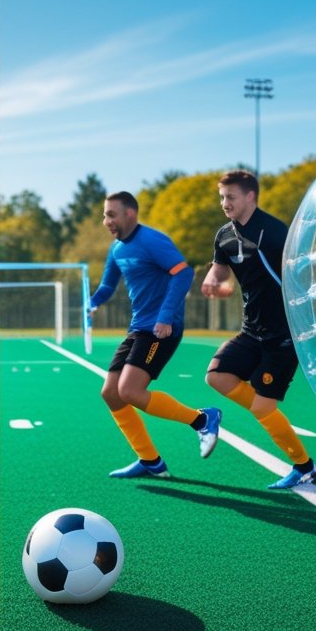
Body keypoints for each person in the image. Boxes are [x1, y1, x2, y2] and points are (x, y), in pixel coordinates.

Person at [201, 170, 316, 490]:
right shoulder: (223, 236)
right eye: (222, 197)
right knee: (216, 376)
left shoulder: (275, 232)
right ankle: (262, 404)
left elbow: (300, 274)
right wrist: (214, 283)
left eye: (231, 197)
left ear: (250, 196)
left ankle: (305, 467)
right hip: (251, 330)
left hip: (283, 335)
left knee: (262, 407)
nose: (224, 203)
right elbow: (220, 273)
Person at [90, 191, 221, 479]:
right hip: (139, 328)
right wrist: (93, 303)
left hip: (162, 328)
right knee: (111, 394)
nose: (106, 221)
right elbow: (107, 285)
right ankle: (150, 461)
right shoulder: (117, 249)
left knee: (130, 392)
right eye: (104, 215)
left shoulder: (152, 240)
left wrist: (165, 317)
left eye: (111, 214)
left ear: (130, 214)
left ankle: (202, 419)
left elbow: (183, 273)